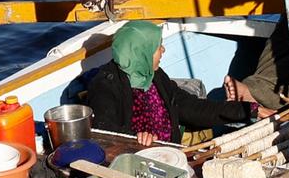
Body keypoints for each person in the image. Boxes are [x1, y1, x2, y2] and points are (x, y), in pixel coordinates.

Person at [85, 21, 271, 146]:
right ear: (140, 52)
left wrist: (248, 110)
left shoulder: (154, 76)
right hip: (136, 162)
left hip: (171, 154)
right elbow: (105, 132)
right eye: (158, 47)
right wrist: (137, 139)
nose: (163, 50)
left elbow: (192, 107)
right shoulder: (105, 86)